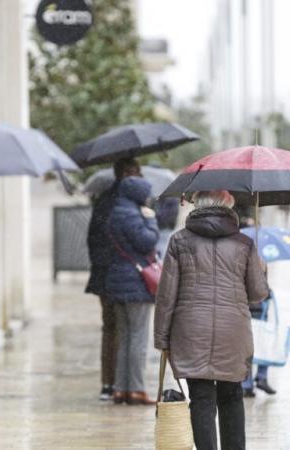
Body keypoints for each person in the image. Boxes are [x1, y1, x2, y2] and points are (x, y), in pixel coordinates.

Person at [154, 190, 269, 450]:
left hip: (191, 331)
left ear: (198, 206)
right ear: (229, 207)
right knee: (231, 395)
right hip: (233, 332)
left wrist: (162, 338)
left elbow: (166, 295)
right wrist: (262, 270)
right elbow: (258, 294)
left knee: (201, 397)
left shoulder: (179, 241)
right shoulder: (244, 243)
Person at [85, 158, 142, 400]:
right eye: (133, 172)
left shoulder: (106, 200)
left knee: (114, 328)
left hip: (107, 273)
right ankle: (114, 384)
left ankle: (113, 384)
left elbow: (93, 239)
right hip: (115, 274)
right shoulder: (122, 202)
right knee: (118, 328)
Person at [104, 176, 160, 405]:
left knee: (125, 337)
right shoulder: (133, 215)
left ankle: (120, 388)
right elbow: (148, 242)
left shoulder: (115, 212)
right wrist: (152, 220)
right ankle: (136, 389)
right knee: (138, 337)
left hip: (117, 281)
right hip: (136, 282)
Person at [233, 204, 275, 398]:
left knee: (260, 339)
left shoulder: (255, 252)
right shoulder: (241, 253)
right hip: (250, 303)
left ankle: (257, 379)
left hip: (258, 304)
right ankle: (249, 380)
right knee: (250, 342)